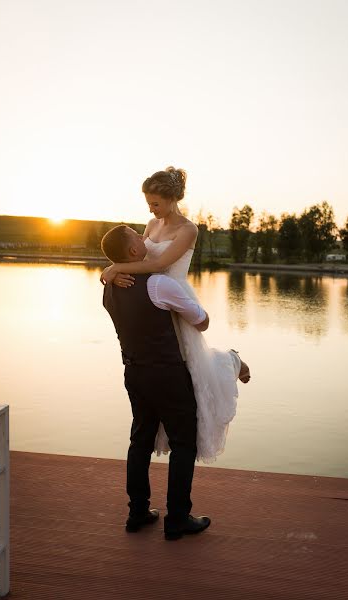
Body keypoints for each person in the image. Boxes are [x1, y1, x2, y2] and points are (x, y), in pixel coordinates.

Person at [101, 166, 250, 463]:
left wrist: (115, 268)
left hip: (173, 294)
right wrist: (110, 271)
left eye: (156, 203)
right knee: (169, 375)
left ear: (172, 199)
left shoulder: (188, 230)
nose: (151, 210)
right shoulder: (150, 224)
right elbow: (138, 257)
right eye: (148, 204)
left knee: (192, 368)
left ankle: (233, 362)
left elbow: (157, 265)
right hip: (152, 298)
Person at [102, 224, 211, 540]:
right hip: (166, 373)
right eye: (137, 236)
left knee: (140, 440)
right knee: (183, 443)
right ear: (134, 251)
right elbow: (202, 321)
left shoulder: (108, 287)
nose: (143, 236)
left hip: (133, 373)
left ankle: (137, 513)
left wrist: (110, 272)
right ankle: (177, 519)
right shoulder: (160, 285)